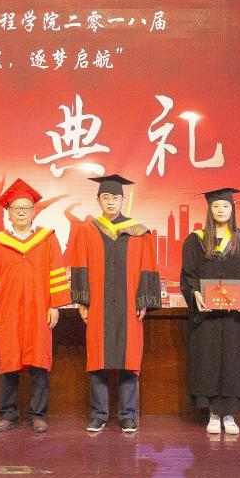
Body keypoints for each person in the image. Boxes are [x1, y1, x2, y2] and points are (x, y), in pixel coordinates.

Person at [0, 179, 71, 434]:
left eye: (26, 208)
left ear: (33, 211)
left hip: (39, 309)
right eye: (16, 208)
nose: (21, 212)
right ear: (8, 213)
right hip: (7, 311)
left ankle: (38, 415)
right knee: (8, 362)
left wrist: (55, 306)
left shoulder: (47, 239)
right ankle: (8, 414)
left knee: (40, 363)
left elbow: (56, 272)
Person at [70, 174, 161, 433]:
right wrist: (82, 301)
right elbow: (80, 264)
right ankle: (99, 414)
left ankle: (128, 415)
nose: (111, 202)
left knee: (129, 358)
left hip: (129, 304)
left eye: (115, 198)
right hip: (98, 304)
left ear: (123, 200)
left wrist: (144, 301)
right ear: (98, 200)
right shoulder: (88, 230)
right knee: (97, 359)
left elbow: (147, 268)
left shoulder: (139, 232)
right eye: (106, 197)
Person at [179, 188, 240, 435]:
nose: (221, 210)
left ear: (232, 209)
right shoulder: (195, 239)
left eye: (225, 206)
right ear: (209, 210)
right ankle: (213, 413)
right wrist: (195, 293)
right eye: (216, 206)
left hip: (235, 316)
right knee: (208, 360)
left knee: (234, 361)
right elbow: (189, 275)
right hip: (207, 317)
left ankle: (230, 415)